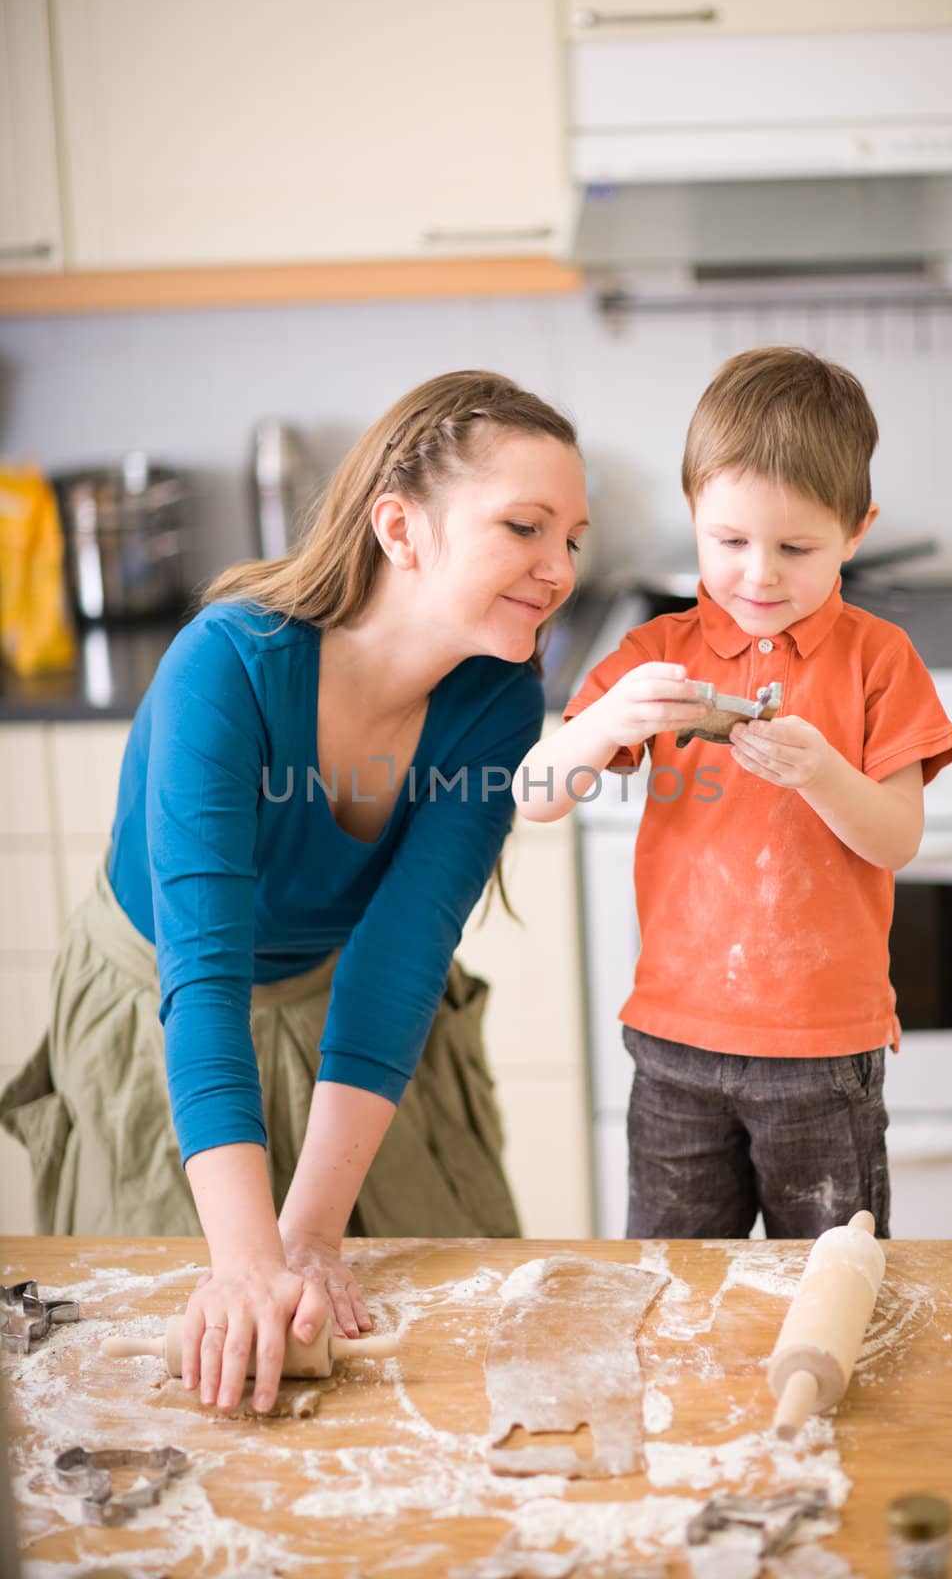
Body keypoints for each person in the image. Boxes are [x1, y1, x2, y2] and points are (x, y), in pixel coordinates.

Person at [1, 370, 589, 1411]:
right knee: (174, 1379)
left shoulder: (499, 696)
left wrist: (310, 1231)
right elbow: (204, 977)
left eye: (572, 539)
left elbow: (399, 954)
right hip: (167, 1013)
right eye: (523, 527)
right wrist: (244, 1256)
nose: (557, 569)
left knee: (430, 1370)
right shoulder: (225, 666)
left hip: (359, 1032)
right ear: (400, 529)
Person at [515, 347, 952, 1241]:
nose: (758, 575)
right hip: (675, 1045)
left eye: (796, 548)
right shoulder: (655, 653)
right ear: (693, 517)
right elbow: (535, 794)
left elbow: (895, 840)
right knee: (676, 1293)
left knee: (831, 1283)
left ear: (856, 531)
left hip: (824, 1055)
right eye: (728, 542)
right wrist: (603, 724)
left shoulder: (880, 661)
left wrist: (821, 773)